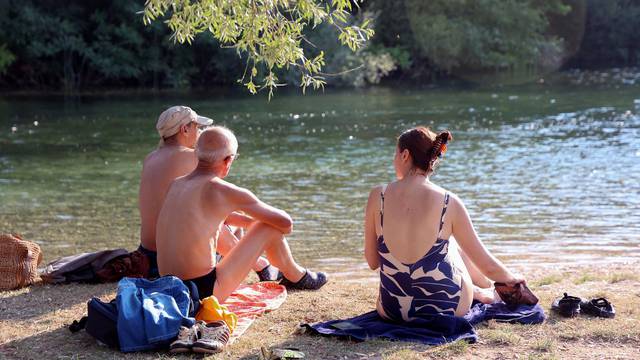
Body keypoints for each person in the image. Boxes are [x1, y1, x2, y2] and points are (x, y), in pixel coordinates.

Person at [363, 126, 525, 321]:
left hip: (392, 310)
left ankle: (485, 291)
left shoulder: (377, 196)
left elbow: (373, 262)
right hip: (446, 308)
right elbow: (486, 264)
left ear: (405, 155)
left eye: (394, 154)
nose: (393, 160)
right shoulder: (449, 201)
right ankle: (484, 292)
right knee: (449, 243)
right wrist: (513, 279)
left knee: (442, 242)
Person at [156, 126, 327, 301]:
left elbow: (208, 218)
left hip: (167, 287)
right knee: (268, 227)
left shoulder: (177, 184)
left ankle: (281, 273)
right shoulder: (221, 189)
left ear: (196, 154)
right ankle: (297, 276)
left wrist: (248, 222)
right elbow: (285, 223)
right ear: (228, 160)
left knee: (256, 224)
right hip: (201, 292)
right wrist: (256, 223)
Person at [138, 106, 279, 281]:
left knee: (219, 218)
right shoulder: (192, 157)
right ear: (185, 129)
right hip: (176, 258)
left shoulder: (150, 158)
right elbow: (214, 207)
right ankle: (258, 266)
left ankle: (251, 266)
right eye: (197, 127)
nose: (200, 133)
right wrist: (256, 223)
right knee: (217, 218)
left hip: (147, 255)